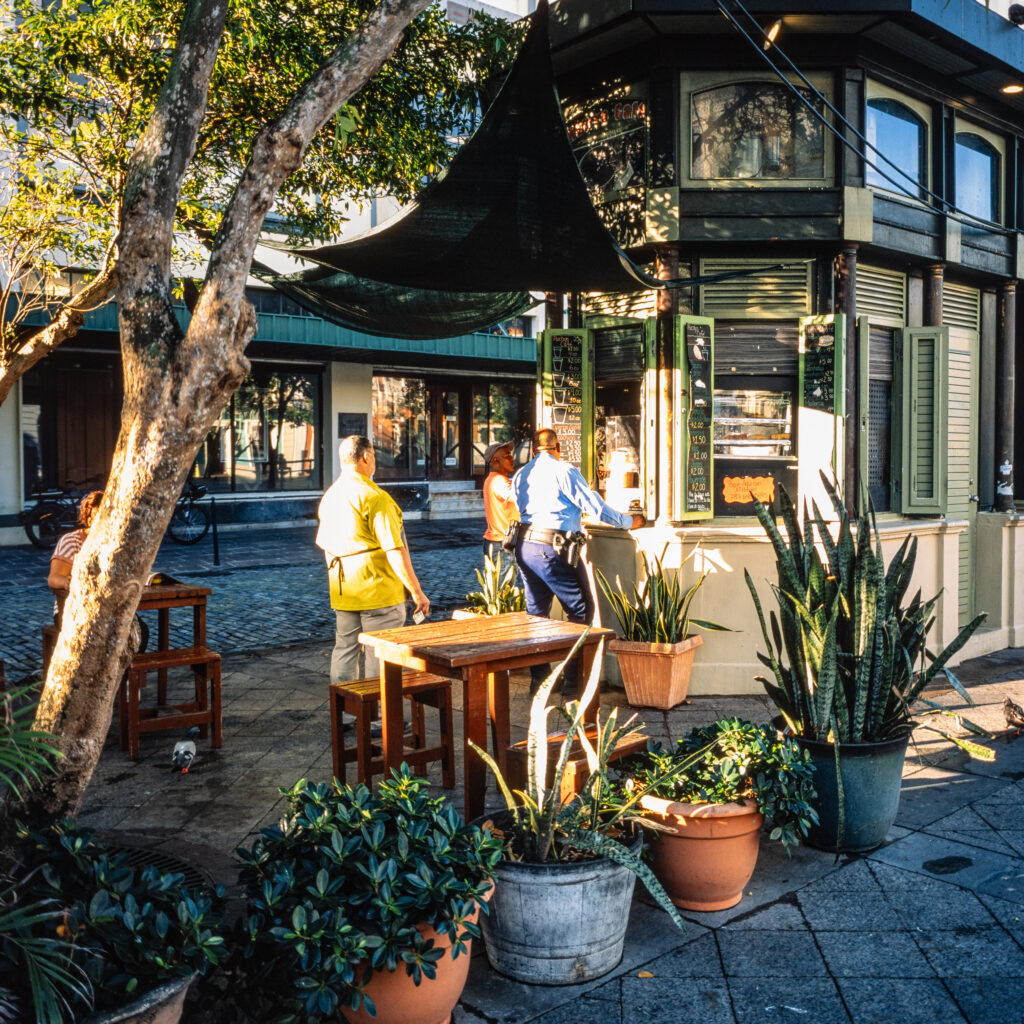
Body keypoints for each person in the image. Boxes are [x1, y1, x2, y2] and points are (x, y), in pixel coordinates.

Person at [512, 427, 644, 695]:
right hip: (553, 547)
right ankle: (574, 681)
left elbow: (520, 506)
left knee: (536, 612)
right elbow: (594, 506)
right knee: (581, 609)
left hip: (525, 545)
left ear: (535, 450)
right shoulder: (565, 471)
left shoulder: (521, 474)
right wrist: (629, 521)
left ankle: (540, 679)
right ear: (558, 447)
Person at [316, 435, 430, 689]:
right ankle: (379, 716)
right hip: (379, 589)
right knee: (380, 653)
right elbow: (395, 550)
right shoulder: (375, 497)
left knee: (344, 649)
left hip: (345, 589)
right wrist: (416, 591)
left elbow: (325, 546)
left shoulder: (330, 496)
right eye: (374, 456)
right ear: (366, 456)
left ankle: (345, 711)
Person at [48, 490, 104, 623]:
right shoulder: (71, 541)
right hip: (70, 608)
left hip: (107, 607)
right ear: (89, 518)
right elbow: (54, 578)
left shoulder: (116, 542)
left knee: (139, 630)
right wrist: (70, 583)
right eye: (98, 517)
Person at [481, 440, 518, 566]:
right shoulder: (499, 481)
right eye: (507, 456)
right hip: (502, 543)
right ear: (495, 461)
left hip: (498, 541)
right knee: (504, 585)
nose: (512, 458)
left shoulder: (494, 479)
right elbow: (519, 499)